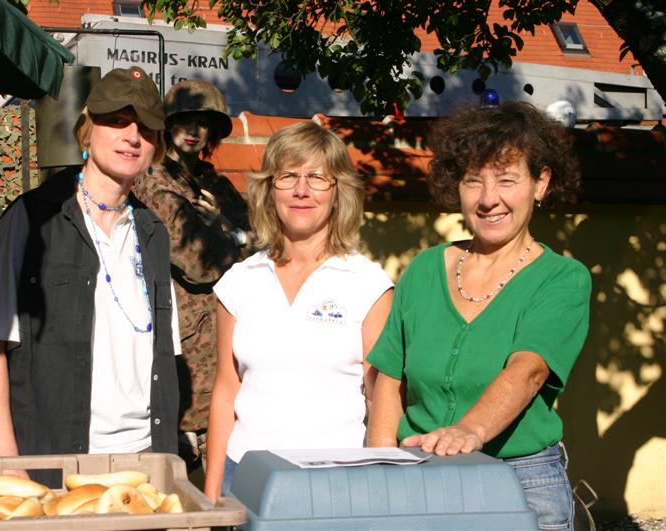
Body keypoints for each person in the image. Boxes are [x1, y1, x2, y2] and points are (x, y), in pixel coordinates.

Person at [367, 101, 590, 530]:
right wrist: (382, 467)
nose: (489, 200)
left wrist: (469, 431)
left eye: (507, 180)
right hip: (419, 472)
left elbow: (528, 370)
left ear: (540, 183)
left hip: (521, 481)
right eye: (474, 182)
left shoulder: (563, 278)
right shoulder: (424, 269)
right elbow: (389, 379)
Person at [0, 67, 181, 482]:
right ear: (88, 129)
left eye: (147, 128)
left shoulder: (153, 232)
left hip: (144, 462)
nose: (132, 137)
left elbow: (161, 360)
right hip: (52, 463)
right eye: (117, 121)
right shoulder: (31, 220)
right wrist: (7, 465)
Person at [203, 121, 395, 502]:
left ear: (339, 192)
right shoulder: (239, 281)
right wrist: (210, 499)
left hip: (338, 483)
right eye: (288, 176)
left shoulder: (368, 284)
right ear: (268, 189)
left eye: (318, 178)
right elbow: (226, 393)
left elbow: (380, 399)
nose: (302, 190)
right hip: (245, 478)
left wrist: (381, 489)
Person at [133, 79, 252, 469]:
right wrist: (238, 239)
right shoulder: (154, 179)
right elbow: (198, 262)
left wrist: (226, 229)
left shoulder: (215, 183)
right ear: (168, 124)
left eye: (204, 122)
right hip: (185, 356)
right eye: (186, 120)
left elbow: (271, 248)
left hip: (231, 344)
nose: (194, 131)